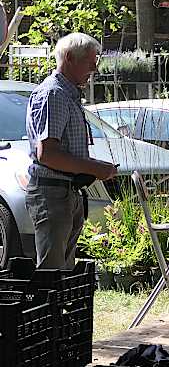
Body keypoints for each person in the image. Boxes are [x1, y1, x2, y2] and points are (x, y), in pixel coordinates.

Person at [25, 33, 117, 270]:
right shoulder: (53, 94)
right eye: (90, 61)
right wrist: (95, 168)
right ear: (69, 58)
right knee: (51, 272)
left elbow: (63, 151)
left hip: (67, 193)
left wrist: (95, 166)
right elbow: (48, 154)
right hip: (52, 194)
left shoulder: (68, 94)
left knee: (63, 272)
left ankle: (56, 308)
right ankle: (47, 308)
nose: (94, 68)